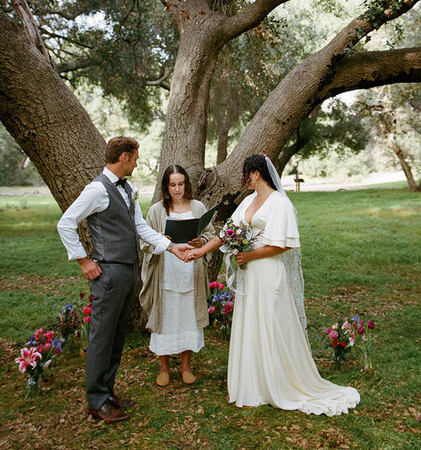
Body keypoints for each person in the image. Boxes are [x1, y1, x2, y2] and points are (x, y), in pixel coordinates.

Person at [185, 154, 360, 416]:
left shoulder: (280, 203)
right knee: (251, 322)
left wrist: (251, 254)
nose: (244, 180)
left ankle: (277, 383)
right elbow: (227, 232)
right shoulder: (248, 200)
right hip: (250, 273)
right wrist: (201, 252)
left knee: (269, 322)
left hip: (268, 271)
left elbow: (284, 244)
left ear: (256, 173)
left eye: (246, 175)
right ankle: (253, 385)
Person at [57, 136, 186, 423]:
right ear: (124, 157)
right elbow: (65, 222)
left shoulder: (127, 190)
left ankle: (107, 393)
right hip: (108, 273)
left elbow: (140, 227)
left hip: (128, 271)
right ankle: (96, 400)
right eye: (136, 158)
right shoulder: (96, 190)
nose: (138, 163)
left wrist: (172, 247)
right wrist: (83, 260)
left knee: (116, 337)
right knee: (102, 338)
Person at [139, 164, 214, 386]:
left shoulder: (198, 207)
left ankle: (185, 366)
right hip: (166, 273)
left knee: (188, 319)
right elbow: (144, 241)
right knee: (166, 319)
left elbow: (211, 235)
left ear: (187, 185)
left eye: (181, 184)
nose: (177, 189)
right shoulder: (157, 211)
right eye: (173, 185)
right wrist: (158, 238)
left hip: (191, 271)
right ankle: (164, 368)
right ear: (166, 187)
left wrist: (201, 241)